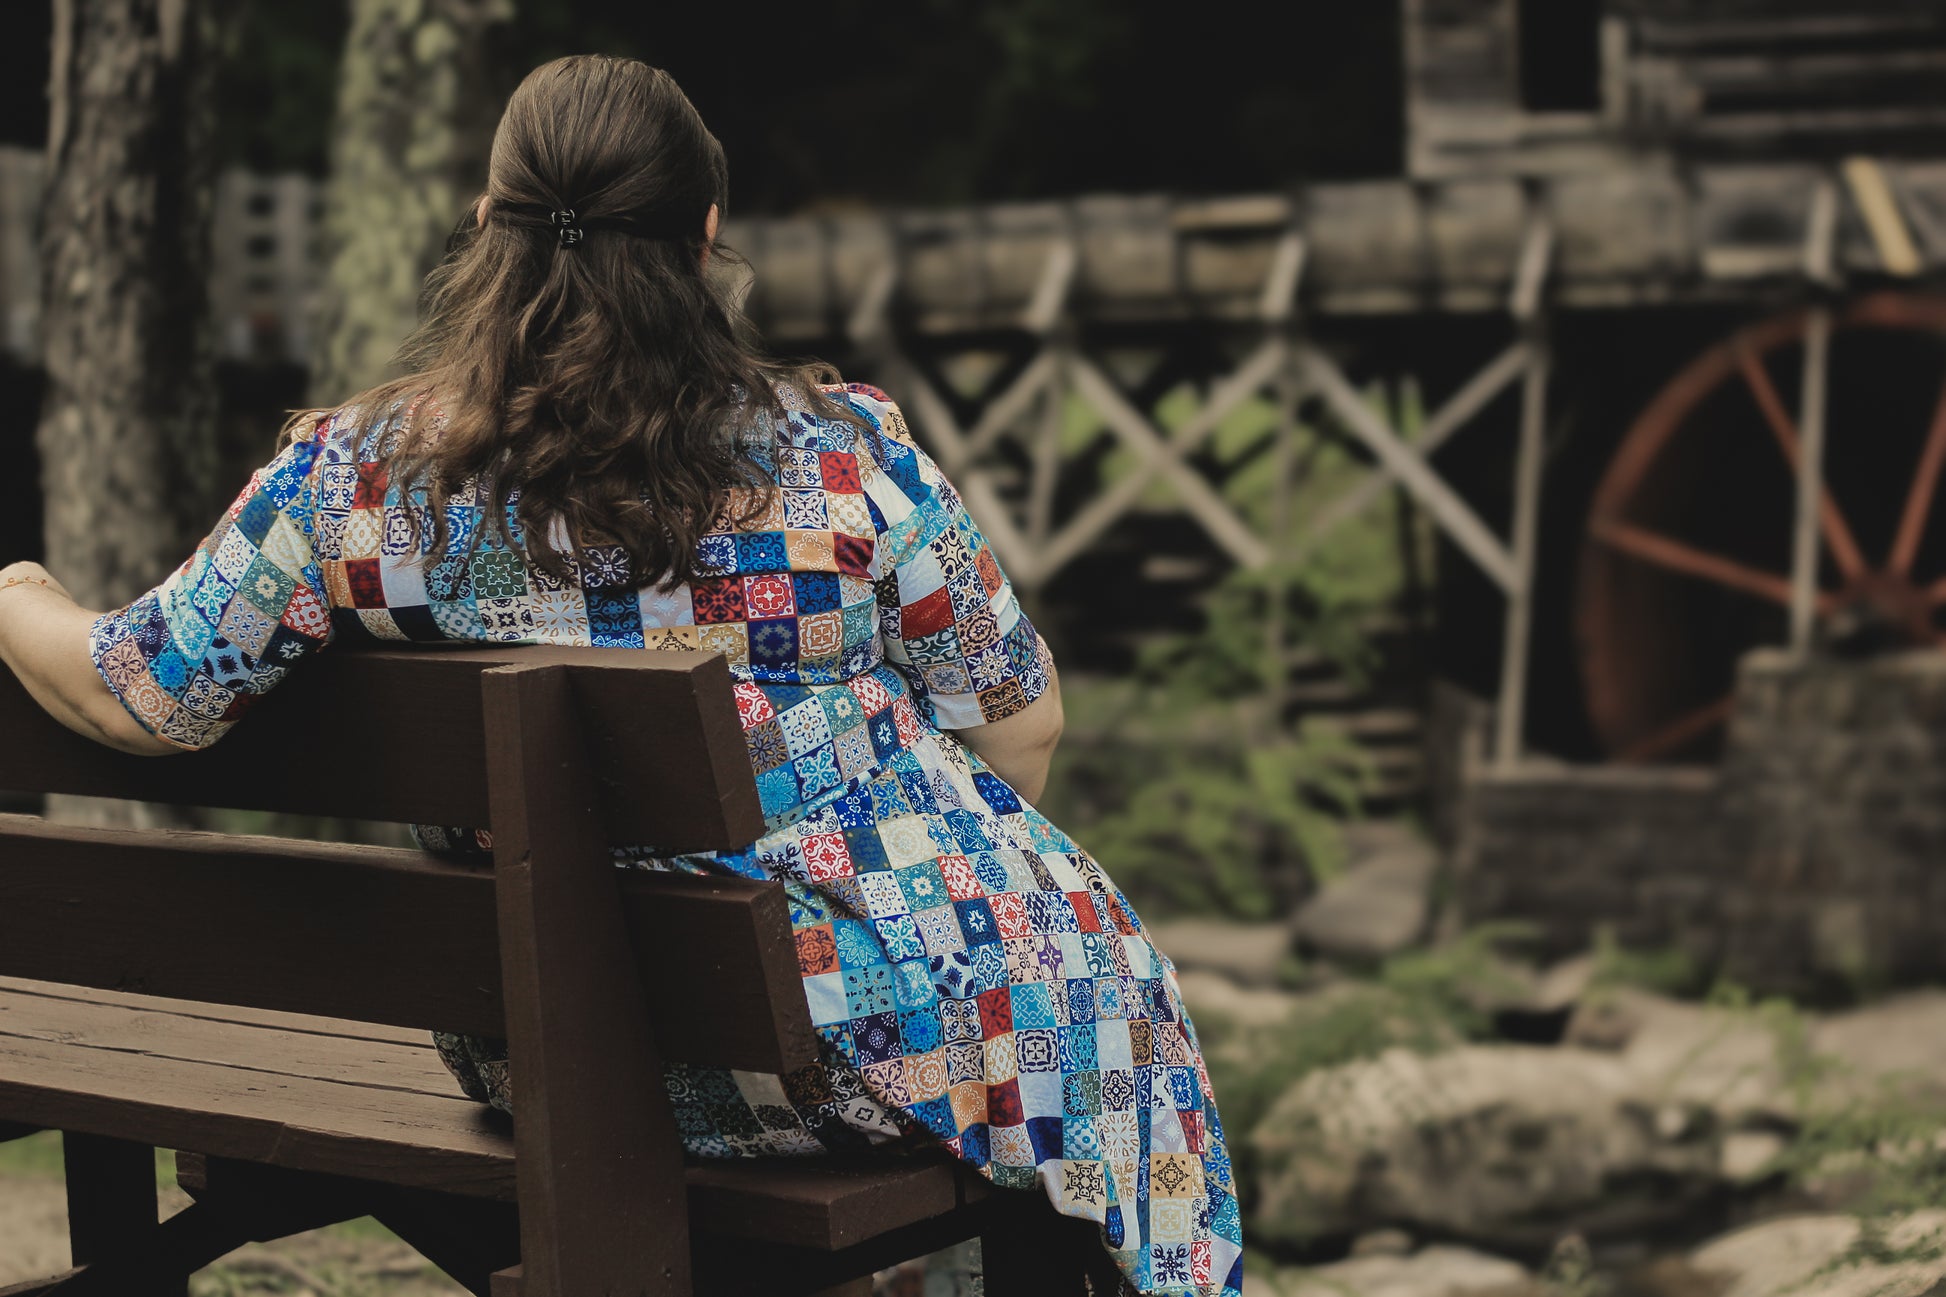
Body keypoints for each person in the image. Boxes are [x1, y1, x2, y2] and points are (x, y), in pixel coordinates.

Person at [0, 55, 1243, 1297]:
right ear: (705, 238)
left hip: (544, 1047)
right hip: (846, 1051)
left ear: (486, 227)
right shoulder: (841, 459)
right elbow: (1018, 729)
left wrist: (19, 598)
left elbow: (138, 694)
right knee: (1092, 1024)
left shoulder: (358, 481)